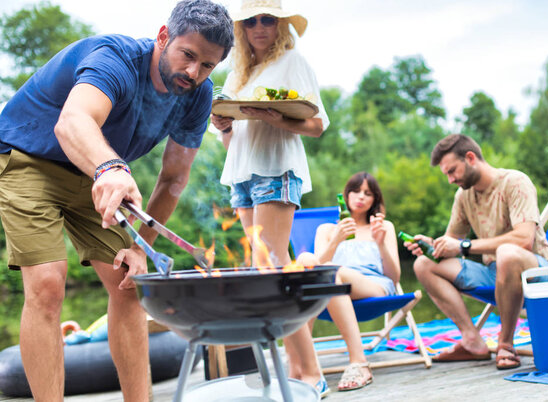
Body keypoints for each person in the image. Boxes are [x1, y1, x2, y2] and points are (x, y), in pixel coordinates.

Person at [0, 1, 233, 400]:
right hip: (29, 159)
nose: (193, 72)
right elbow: (73, 122)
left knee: (129, 283)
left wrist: (142, 247)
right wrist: (110, 168)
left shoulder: (197, 96)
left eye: (207, 65)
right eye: (188, 55)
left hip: (97, 175)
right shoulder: (116, 59)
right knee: (48, 284)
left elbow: (174, 179)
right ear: (164, 37)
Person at [210, 0, 330, 397]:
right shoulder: (236, 71)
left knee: (273, 272)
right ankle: (296, 370)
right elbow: (229, 135)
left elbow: (316, 125)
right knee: (267, 274)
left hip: (277, 167)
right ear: (242, 28)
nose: (259, 26)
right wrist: (221, 123)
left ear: (279, 24)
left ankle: (312, 372)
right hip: (242, 172)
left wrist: (280, 119)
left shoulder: (294, 62)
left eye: (267, 19)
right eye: (251, 21)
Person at [404, 134, 548, 370]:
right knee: (423, 264)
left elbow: (524, 239)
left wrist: (464, 246)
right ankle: (472, 341)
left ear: (470, 158)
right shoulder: (464, 195)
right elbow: (452, 243)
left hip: (539, 275)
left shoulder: (515, 182)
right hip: (494, 272)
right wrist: (432, 246)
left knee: (508, 252)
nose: (450, 179)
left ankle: (505, 344)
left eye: (452, 171)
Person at [304, 172, 400, 390]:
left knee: (328, 272)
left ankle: (356, 362)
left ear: (375, 199)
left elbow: (394, 278)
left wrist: (381, 243)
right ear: (346, 195)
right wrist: (337, 239)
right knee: (320, 272)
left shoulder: (384, 227)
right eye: (356, 191)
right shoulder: (327, 230)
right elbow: (313, 268)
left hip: (374, 285)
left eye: (368, 193)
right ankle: (311, 362)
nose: (361, 197)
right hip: (334, 286)